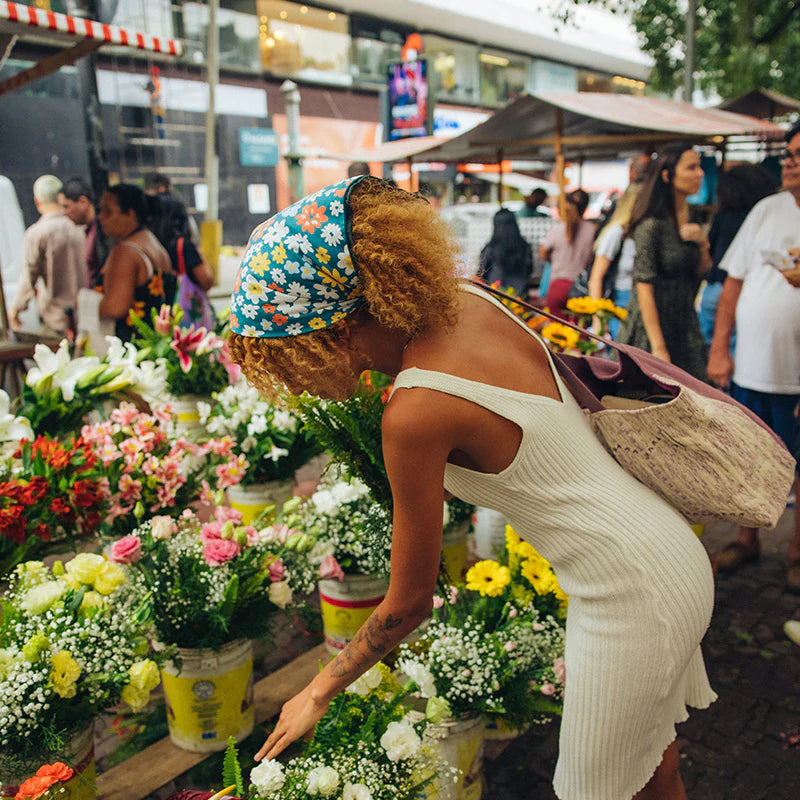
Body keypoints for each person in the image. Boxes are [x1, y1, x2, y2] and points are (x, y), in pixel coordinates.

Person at [228, 176, 716, 800]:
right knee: (654, 774)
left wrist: (314, 693)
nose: (298, 375)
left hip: (630, 590)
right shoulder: (465, 301)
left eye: (291, 352)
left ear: (333, 328)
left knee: (591, 791)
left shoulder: (414, 410)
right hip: (665, 551)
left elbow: (408, 604)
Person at [707, 123, 800, 592]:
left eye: (798, 155)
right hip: (754, 366)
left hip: (796, 377)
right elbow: (733, 283)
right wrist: (721, 348)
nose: (788, 161)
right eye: (788, 153)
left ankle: (798, 552)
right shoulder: (767, 209)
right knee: (748, 457)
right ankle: (747, 540)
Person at [618, 144, 711, 380]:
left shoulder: (695, 216)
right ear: (667, 175)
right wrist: (658, 347)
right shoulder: (651, 225)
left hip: (685, 323)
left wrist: (703, 244)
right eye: (691, 167)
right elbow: (643, 285)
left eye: (699, 167)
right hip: (652, 326)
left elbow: (702, 272)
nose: (700, 173)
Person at [698, 165, 776, 345]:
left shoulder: (723, 216)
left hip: (715, 288)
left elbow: (712, 248)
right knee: (737, 348)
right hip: (743, 290)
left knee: (710, 348)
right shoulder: (762, 219)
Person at [96, 183, 174, 342]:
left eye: (108, 211)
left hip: (131, 347)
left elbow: (115, 307)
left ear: (130, 214)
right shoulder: (153, 244)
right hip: (154, 344)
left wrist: (83, 303)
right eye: (100, 210)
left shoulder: (125, 252)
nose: (100, 216)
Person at [10, 175, 86, 337]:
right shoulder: (79, 226)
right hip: (88, 315)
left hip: (56, 319)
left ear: (37, 201)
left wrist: (16, 309)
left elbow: (29, 275)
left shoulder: (37, 233)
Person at [587, 182, 642, 338]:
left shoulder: (643, 233)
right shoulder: (616, 232)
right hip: (619, 303)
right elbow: (596, 278)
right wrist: (598, 320)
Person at [538, 189, 595, 314]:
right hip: (581, 289)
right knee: (579, 330)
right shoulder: (592, 230)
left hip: (557, 287)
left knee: (554, 331)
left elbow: (542, 253)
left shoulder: (557, 229)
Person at [58, 177, 109, 289]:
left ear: (83, 202)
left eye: (66, 206)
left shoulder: (103, 232)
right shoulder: (89, 231)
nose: (64, 213)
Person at [478, 208, 533, 295]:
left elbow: (481, 272)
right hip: (520, 296)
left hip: (495, 293)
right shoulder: (525, 247)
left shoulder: (490, 248)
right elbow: (529, 270)